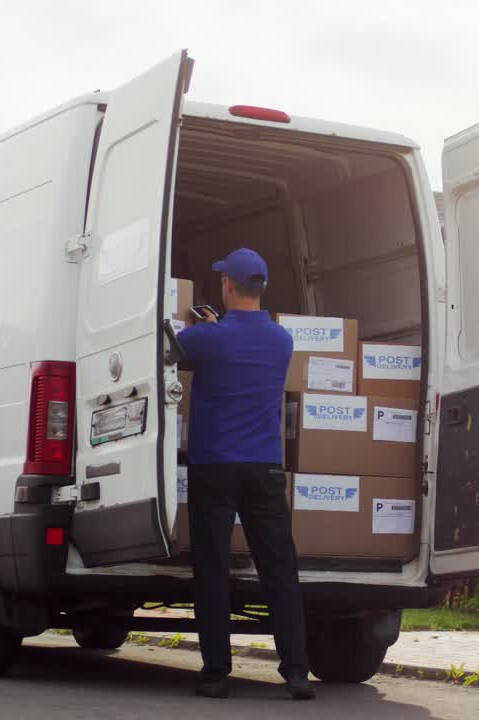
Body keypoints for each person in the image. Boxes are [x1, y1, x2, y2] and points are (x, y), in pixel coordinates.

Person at [176, 248, 314, 700]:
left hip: (214, 466)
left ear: (228, 286)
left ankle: (217, 674)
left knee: (213, 568)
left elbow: (172, 349)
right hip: (265, 468)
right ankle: (296, 672)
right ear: (262, 288)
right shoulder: (282, 340)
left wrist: (202, 326)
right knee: (279, 569)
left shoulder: (207, 338)